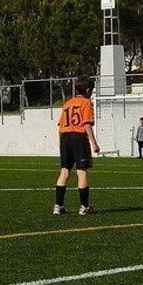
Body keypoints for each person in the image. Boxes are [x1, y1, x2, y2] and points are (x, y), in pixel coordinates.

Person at [54, 77, 101, 215]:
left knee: (64, 171)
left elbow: (60, 126)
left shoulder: (67, 103)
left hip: (65, 138)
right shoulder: (86, 103)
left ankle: (58, 206)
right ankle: (84, 207)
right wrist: (94, 143)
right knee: (82, 172)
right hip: (79, 138)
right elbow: (86, 123)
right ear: (87, 90)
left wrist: (61, 142)